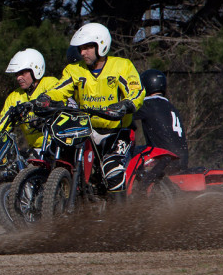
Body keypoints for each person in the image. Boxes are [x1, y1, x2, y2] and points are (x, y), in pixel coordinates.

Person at [41, 23, 145, 193]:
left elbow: (136, 90)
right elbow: (59, 89)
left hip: (117, 131)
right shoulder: (75, 70)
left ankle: (122, 216)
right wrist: (46, 98)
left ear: (101, 45)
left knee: (113, 172)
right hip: (87, 130)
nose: (83, 52)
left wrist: (126, 104)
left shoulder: (122, 66)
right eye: (81, 48)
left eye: (88, 47)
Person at [0, 48, 59, 157]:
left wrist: (33, 104)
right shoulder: (14, 97)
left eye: (22, 73)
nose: (18, 78)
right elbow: (2, 123)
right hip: (36, 151)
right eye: (16, 74)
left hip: (58, 145)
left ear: (35, 69)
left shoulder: (49, 83)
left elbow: (59, 100)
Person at [133, 69, 188, 172]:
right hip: (182, 159)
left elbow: (125, 114)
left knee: (128, 154)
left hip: (164, 159)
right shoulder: (170, 106)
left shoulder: (148, 104)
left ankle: (131, 186)